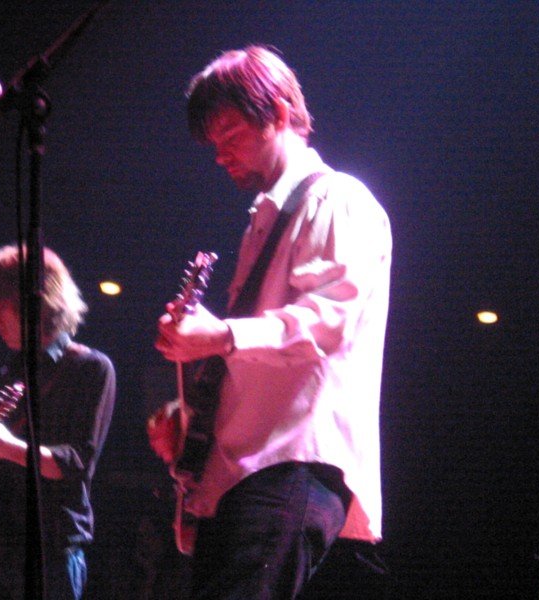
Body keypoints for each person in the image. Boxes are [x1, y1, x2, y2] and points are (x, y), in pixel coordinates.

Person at [148, 45, 392, 599]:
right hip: (244, 473)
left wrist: (223, 333)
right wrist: (192, 428)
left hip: (290, 465)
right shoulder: (264, 221)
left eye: (229, 133)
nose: (219, 153)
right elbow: (260, 368)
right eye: (213, 142)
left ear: (280, 113)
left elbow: (328, 322)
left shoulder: (338, 198)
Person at [0, 244, 116, 600]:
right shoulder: (12, 370)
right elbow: (4, 469)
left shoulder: (90, 368)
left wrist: (6, 446)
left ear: (33, 304)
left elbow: (76, 463)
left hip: (47, 554)